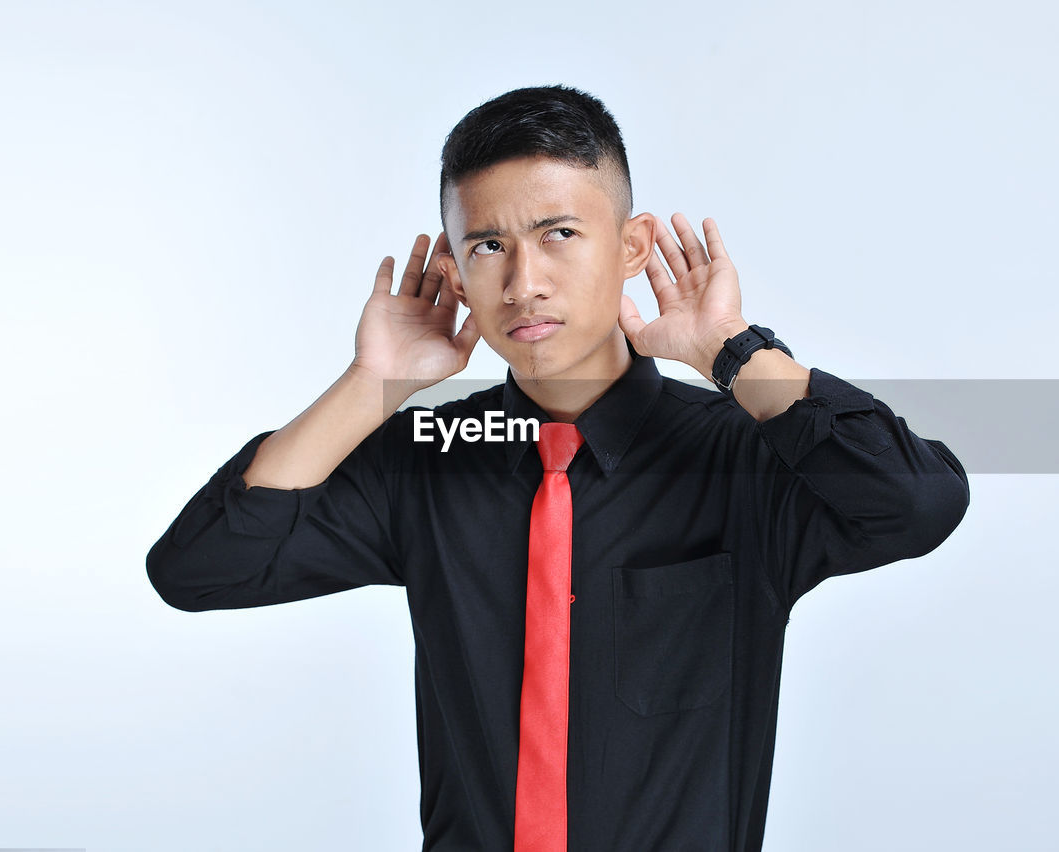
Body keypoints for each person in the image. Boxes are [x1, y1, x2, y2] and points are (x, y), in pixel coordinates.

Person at [147, 84, 970, 851]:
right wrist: (370, 389)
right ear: (459, 275)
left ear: (631, 246)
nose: (523, 282)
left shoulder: (742, 461)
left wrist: (733, 352)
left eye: (559, 235)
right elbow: (200, 569)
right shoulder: (428, 464)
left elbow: (917, 503)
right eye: (488, 246)